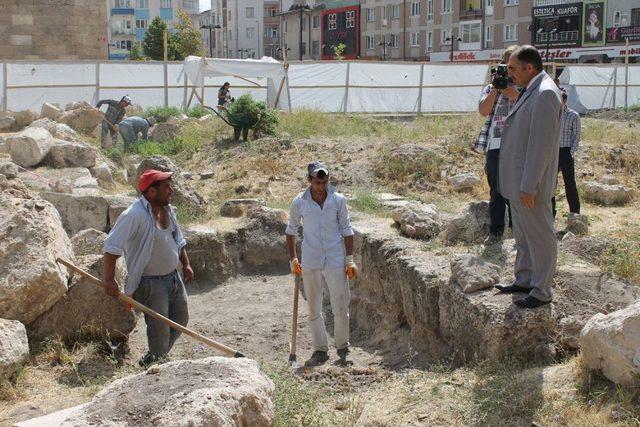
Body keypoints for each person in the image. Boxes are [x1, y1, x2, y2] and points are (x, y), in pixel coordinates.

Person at [103, 169, 194, 366]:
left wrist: (185, 264)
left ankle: (154, 357)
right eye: (166, 187)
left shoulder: (167, 209)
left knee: (181, 320)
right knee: (159, 328)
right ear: (152, 192)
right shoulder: (133, 215)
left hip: (173, 277)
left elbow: (178, 239)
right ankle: (157, 367)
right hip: (151, 284)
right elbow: (111, 247)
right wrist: (109, 280)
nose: (171, 191)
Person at [495, 45, 562, 309]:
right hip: (519, 181)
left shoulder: (545, 93)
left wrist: (529, 186)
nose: (508, 73)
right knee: (523, 236)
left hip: (530, 185)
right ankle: (524, 279)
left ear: (529, 68)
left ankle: (542, 289)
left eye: (512, 68)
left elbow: (541, 147)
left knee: (540, 237)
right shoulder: (531, 89)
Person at [285, 161, 358, 366]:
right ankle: (320, 350)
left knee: (340, 306)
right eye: (318, 182)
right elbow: (290, 231)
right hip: (310, 259)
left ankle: (343, 348)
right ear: (309, 181)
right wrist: (293, 259)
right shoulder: (299, 202)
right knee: (314, 307)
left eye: (325, 182)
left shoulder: (338, 200)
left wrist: (349, 260)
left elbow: (347, 229)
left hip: (335, 258)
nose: (321, 186)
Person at [474, 45, 520, 245]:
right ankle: (496, 231)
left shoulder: (524, 87)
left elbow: (522, 101)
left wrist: (509, 90)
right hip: (495, 144)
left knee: (516, 188)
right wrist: (496, 88)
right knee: (496, 189)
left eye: (513, 67)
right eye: (507, 66)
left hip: (517, 145)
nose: (509, 71)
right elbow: (483, 111)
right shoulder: (492, 85)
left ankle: (517, 231)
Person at [553, 89, 581, 216]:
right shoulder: (552, 114)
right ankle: (550, 212)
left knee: (569, 183)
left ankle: (575, 212)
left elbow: (576, 135)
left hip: (566, 152)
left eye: (560, 101)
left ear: (565, 101)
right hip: (553, 152)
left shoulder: (573, 115)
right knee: (551, 183)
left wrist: (572, 151)